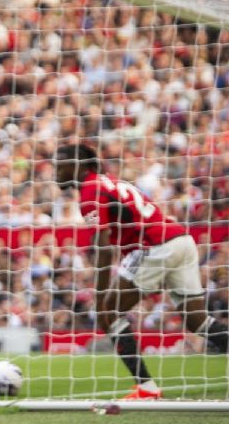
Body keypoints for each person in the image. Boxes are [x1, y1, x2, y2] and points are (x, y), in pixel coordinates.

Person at [55, 143, 229, 400]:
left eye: (61, 164)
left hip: (154, 246)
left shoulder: (90, 190)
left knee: (108, 314)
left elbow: (103, 247)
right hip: (180, 241)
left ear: (79, 165)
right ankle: (146, 387)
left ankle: (146, 388)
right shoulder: (108, 182)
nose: (56, 170)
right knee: (198, 322)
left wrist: (100, 294)